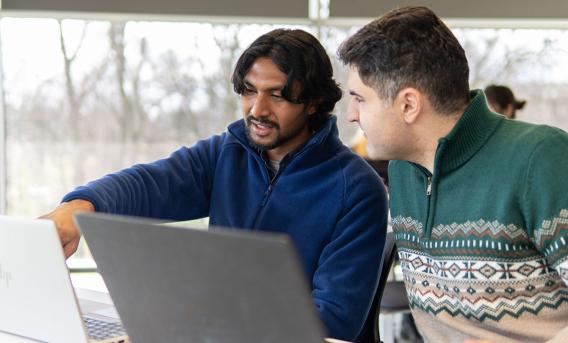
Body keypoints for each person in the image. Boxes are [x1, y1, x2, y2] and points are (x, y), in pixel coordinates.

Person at [41, 28, 388, 341]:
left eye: (277, 95)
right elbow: (151, 184)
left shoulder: (358, 190)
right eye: (249, 92)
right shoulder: (226, 154)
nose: (257, 109)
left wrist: (205, 322)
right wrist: (79, 208)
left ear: (314, 103)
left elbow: (334, 321)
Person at [339, 6, 568, 343]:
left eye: (360, 99)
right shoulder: (403, 170)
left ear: (408, 105)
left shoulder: (540, 158)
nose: (351, 115)